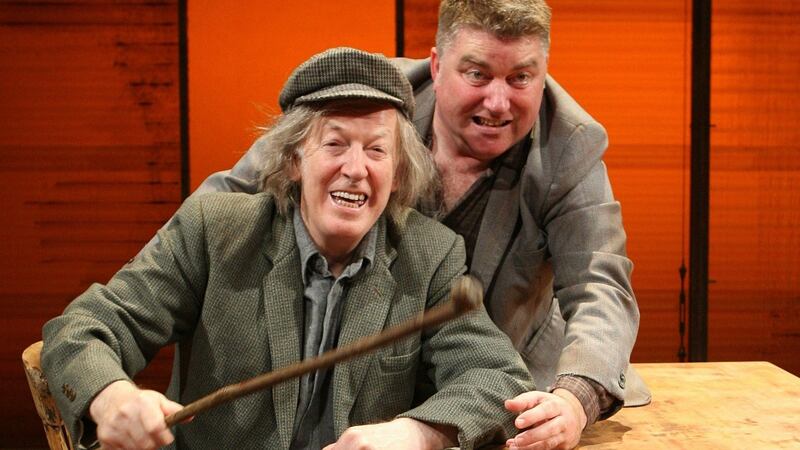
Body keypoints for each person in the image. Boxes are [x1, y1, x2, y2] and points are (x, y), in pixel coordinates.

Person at [177, 2, 651, 449]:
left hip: (497, 388)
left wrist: (574, 399)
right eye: (477, 74)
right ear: (438, 65)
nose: (499, 101)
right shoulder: (370, 100)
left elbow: (599, 284)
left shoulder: (572, 144)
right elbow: (225, 203)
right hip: (365, 383)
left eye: (521, 78)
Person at [41, 47, 535, 450]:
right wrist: (111, 397)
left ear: (398, 171)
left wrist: (415, 432)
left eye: (377, 150)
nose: (356, 169)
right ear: (295, 159)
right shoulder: (215, 231)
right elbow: (82, 329)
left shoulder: (429, 256)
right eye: (335, 144)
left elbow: (496, 377)